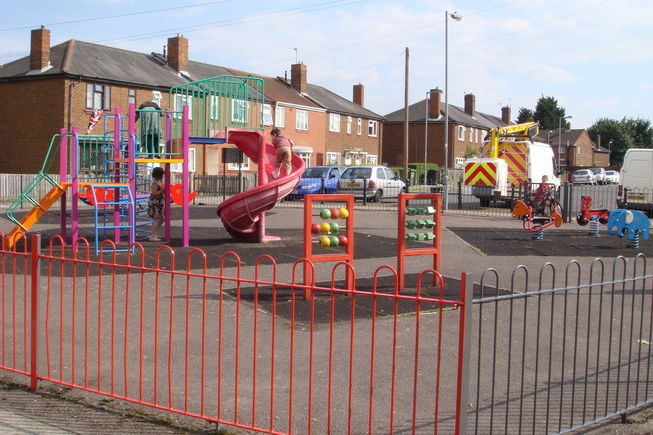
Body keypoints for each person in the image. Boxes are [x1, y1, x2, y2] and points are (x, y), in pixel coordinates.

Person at [147, 167, 165, 241]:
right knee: (157, 218)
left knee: (163, 218)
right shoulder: (155, 183)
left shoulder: (158, 182)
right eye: (162, 174)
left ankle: (152, 232)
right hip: (155, 202)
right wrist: (162, 190)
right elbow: (154, 193)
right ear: (160, 175)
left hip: (159, 202)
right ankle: (153, 236)